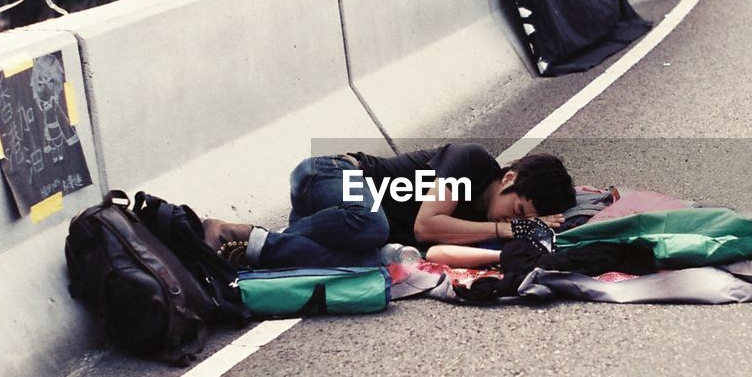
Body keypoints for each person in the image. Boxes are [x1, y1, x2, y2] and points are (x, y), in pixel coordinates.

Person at [202, 143, 575, 270]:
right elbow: (427, 227)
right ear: (510, 179)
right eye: (519, 211)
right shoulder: (473, 162)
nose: (515, 221)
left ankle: (246, 241)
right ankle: (263, 238)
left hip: (335, 221)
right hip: (332, 175)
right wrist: (504, 230)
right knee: (374, 227)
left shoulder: (478, 221)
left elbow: (437, 250)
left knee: (372, 260)